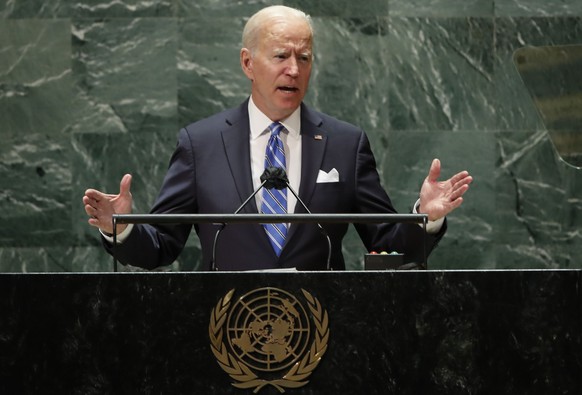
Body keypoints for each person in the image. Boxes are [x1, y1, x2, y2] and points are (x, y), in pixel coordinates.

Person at [82, 5, 472, 271]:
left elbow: (386, 241)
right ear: (248, 63)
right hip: (225, 334)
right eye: (281, 56)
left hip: (322, 335)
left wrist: (425, 217)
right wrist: (122, 226)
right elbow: (162, 245)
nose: (293, 69)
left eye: (304, 58)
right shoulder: (200, 144)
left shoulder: (344, 143)